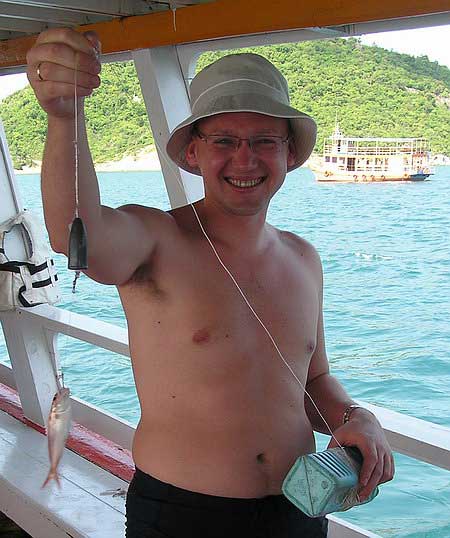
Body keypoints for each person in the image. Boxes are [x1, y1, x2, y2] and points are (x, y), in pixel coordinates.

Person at [26, 28, 394, 538]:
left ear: (289, 154)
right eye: (224, 141)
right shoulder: (157, 240)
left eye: (264, 141)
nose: (245, 159)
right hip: (183, 515)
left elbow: (312, 381)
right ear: (194, 153)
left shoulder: (304, 258)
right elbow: (78, 235)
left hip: (300, 510)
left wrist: (356, 416)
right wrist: (65, 116)